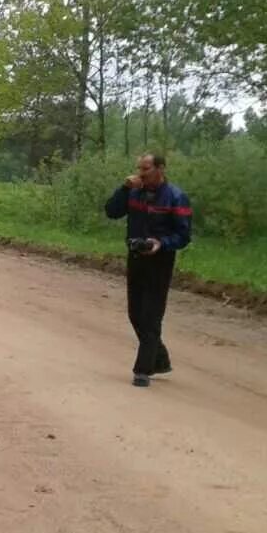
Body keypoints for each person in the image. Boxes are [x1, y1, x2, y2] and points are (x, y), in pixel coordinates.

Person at [104, 153, 192, 387]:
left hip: (160, 261)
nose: (141, 173)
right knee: (135, 314)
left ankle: (142, 371)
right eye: (139, 168)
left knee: (151, 315)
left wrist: (161, 243)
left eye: (146, 169)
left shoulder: (176, 197)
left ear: (160, 168)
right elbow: (111, 212)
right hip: (136, 257)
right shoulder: (134, 192)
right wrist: (123, 188)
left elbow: (183, 235)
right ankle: (160, 359)